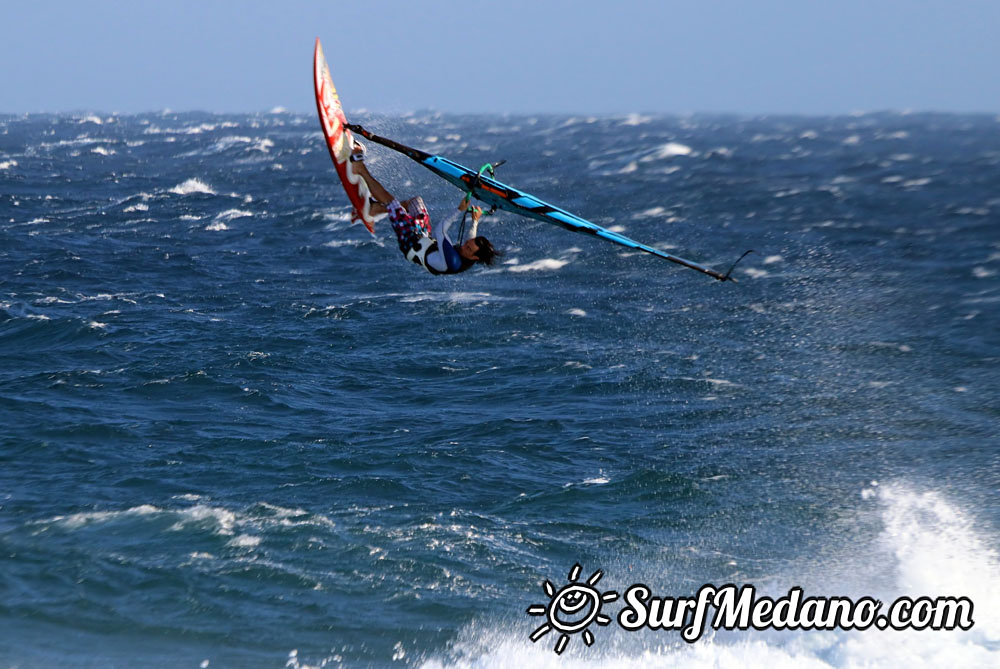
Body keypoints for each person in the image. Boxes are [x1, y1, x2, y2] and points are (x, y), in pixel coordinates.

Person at [348, 141, 499, 275]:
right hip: (423, 237)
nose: (465, 246)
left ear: (475, 257)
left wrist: (459, 210)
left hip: (411, 244)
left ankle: (359, 168)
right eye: (468, 244)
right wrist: (475, 221)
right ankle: (375, 210)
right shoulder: (471, 253)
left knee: (391, 202)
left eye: (468, 249)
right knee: (415, 202)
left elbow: (440, 231)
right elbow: (471, 241)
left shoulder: (453, 261)